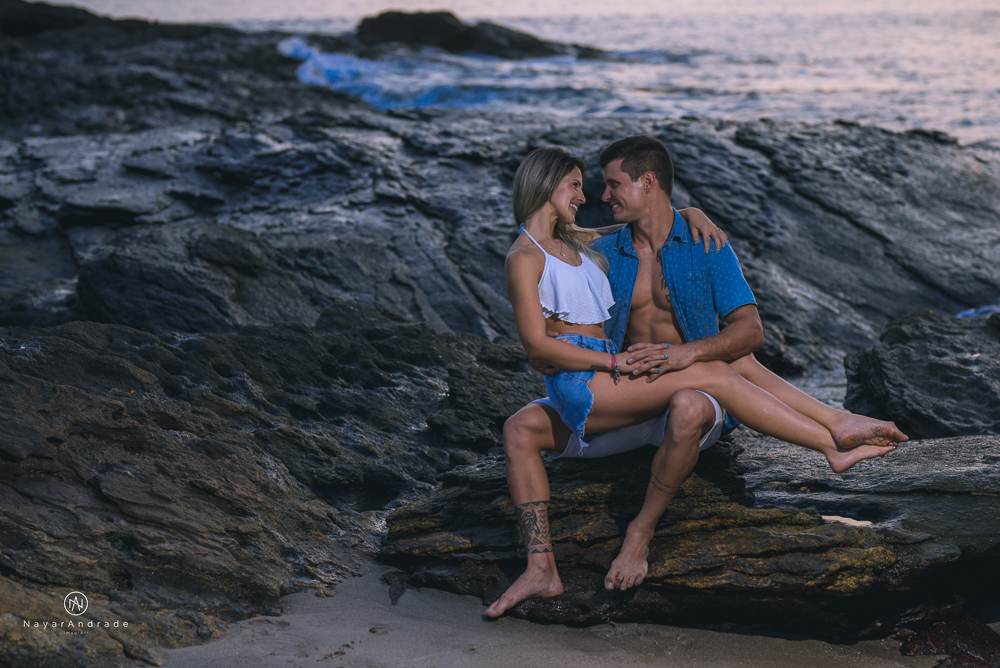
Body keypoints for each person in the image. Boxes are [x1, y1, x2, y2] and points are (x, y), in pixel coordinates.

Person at [483, 141, 906, 619]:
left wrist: (690, 211)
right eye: (581, 185)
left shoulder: (684, 244)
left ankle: (599, 547)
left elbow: (749, 334)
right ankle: (831, 440)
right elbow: (540, 333)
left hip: (660, 394)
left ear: (649, 184)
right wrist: (613, 363)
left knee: (699, 381)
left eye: (610, 184)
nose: (596, 194)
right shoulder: (583, 250)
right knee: (530, 424)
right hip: (614, 386)